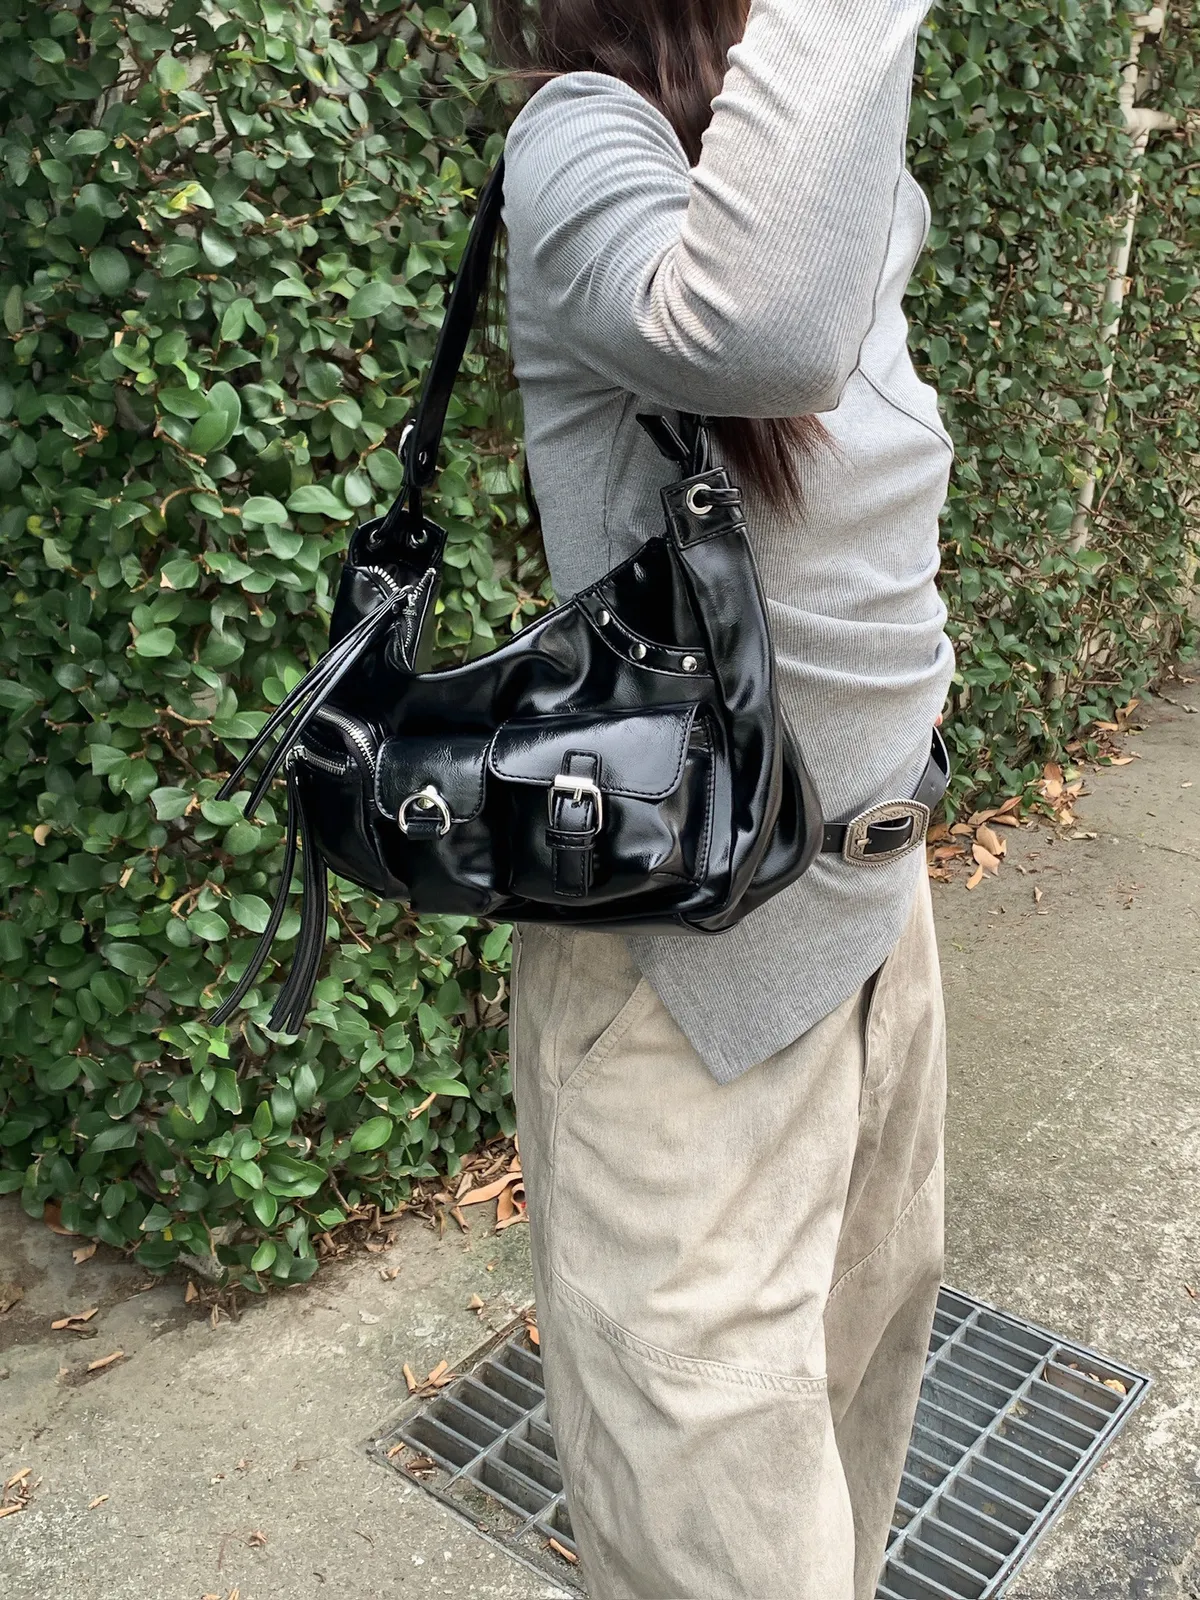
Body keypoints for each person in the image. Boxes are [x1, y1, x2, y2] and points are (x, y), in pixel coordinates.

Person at [493, 2, 955, 1595]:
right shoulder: (579, 136)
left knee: (854, 1421)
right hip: (687, 979)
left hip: (875, 927)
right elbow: (767, 330)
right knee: (726, 1548)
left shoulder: (778, 159)